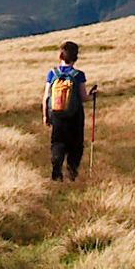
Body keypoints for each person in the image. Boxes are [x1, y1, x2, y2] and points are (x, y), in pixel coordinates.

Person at [43, 40, 94, 182]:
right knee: (75, 144)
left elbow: (46, 96)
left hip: (56, 113)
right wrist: (92, 96)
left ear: (60, 56)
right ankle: (72, 171)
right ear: (75, 58)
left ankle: (56, 169)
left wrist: (45, 115)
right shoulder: (78, 75)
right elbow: (83, 97)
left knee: (57, 142)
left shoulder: (52, 74)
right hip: (75, 115)